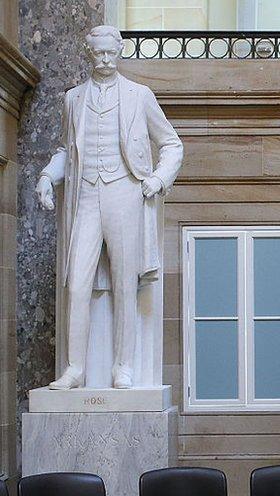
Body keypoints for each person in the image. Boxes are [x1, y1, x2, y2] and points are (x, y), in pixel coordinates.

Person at [35, 25, 183, 389]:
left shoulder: (139, 95)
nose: (104, 59)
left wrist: (158, 179)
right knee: (77, 284)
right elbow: (65, 151)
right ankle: (75, 368)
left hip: (124, 192)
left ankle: (123, 366)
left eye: (110, 53)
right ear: (89, 53)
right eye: (98, 53)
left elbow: (172, 144)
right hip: (85, 195)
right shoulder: (73, 99)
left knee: (124, 283)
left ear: (119, 52)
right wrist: (46, 176)